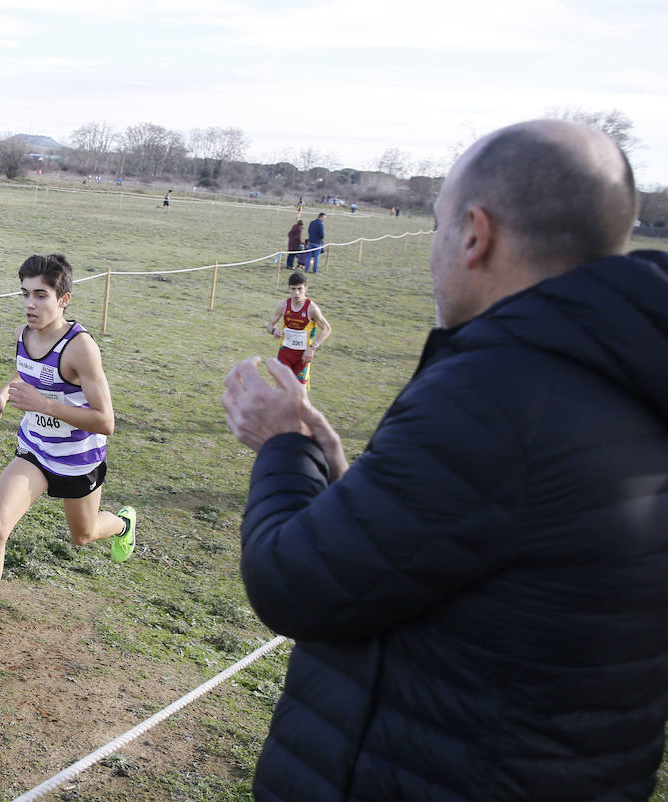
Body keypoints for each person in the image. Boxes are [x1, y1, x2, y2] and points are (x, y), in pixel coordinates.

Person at [220, 119, 668, 801]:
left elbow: (294, 583)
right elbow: (468, 551)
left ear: (474, 235)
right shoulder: (628, 372)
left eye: (437, 224)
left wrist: (283, 445)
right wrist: (338, 474)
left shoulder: (499, 393)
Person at [0, 254, 136, 663]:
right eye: (25, 294)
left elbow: (106, 421)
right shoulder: (23, 334)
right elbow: (27, 374)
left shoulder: (81, 348)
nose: (30, 304)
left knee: (83, 536)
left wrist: (45, 405)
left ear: (63, 299)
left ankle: (123, 524)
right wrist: (4, 394)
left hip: (78, 460)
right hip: (35, 450)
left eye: (41, 295)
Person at [264, 271, 330, 388]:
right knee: (282, 388)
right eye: (293, 289)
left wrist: (312, 348)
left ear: (306, 289)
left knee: (300, 392)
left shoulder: (312, 308)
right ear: (289, 289)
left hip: (303, 356)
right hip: (285, 354)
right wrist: (274, 331)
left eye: (300, 289)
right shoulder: (283, 305)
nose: (297, 293)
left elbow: (327, 329)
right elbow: (269, 326)